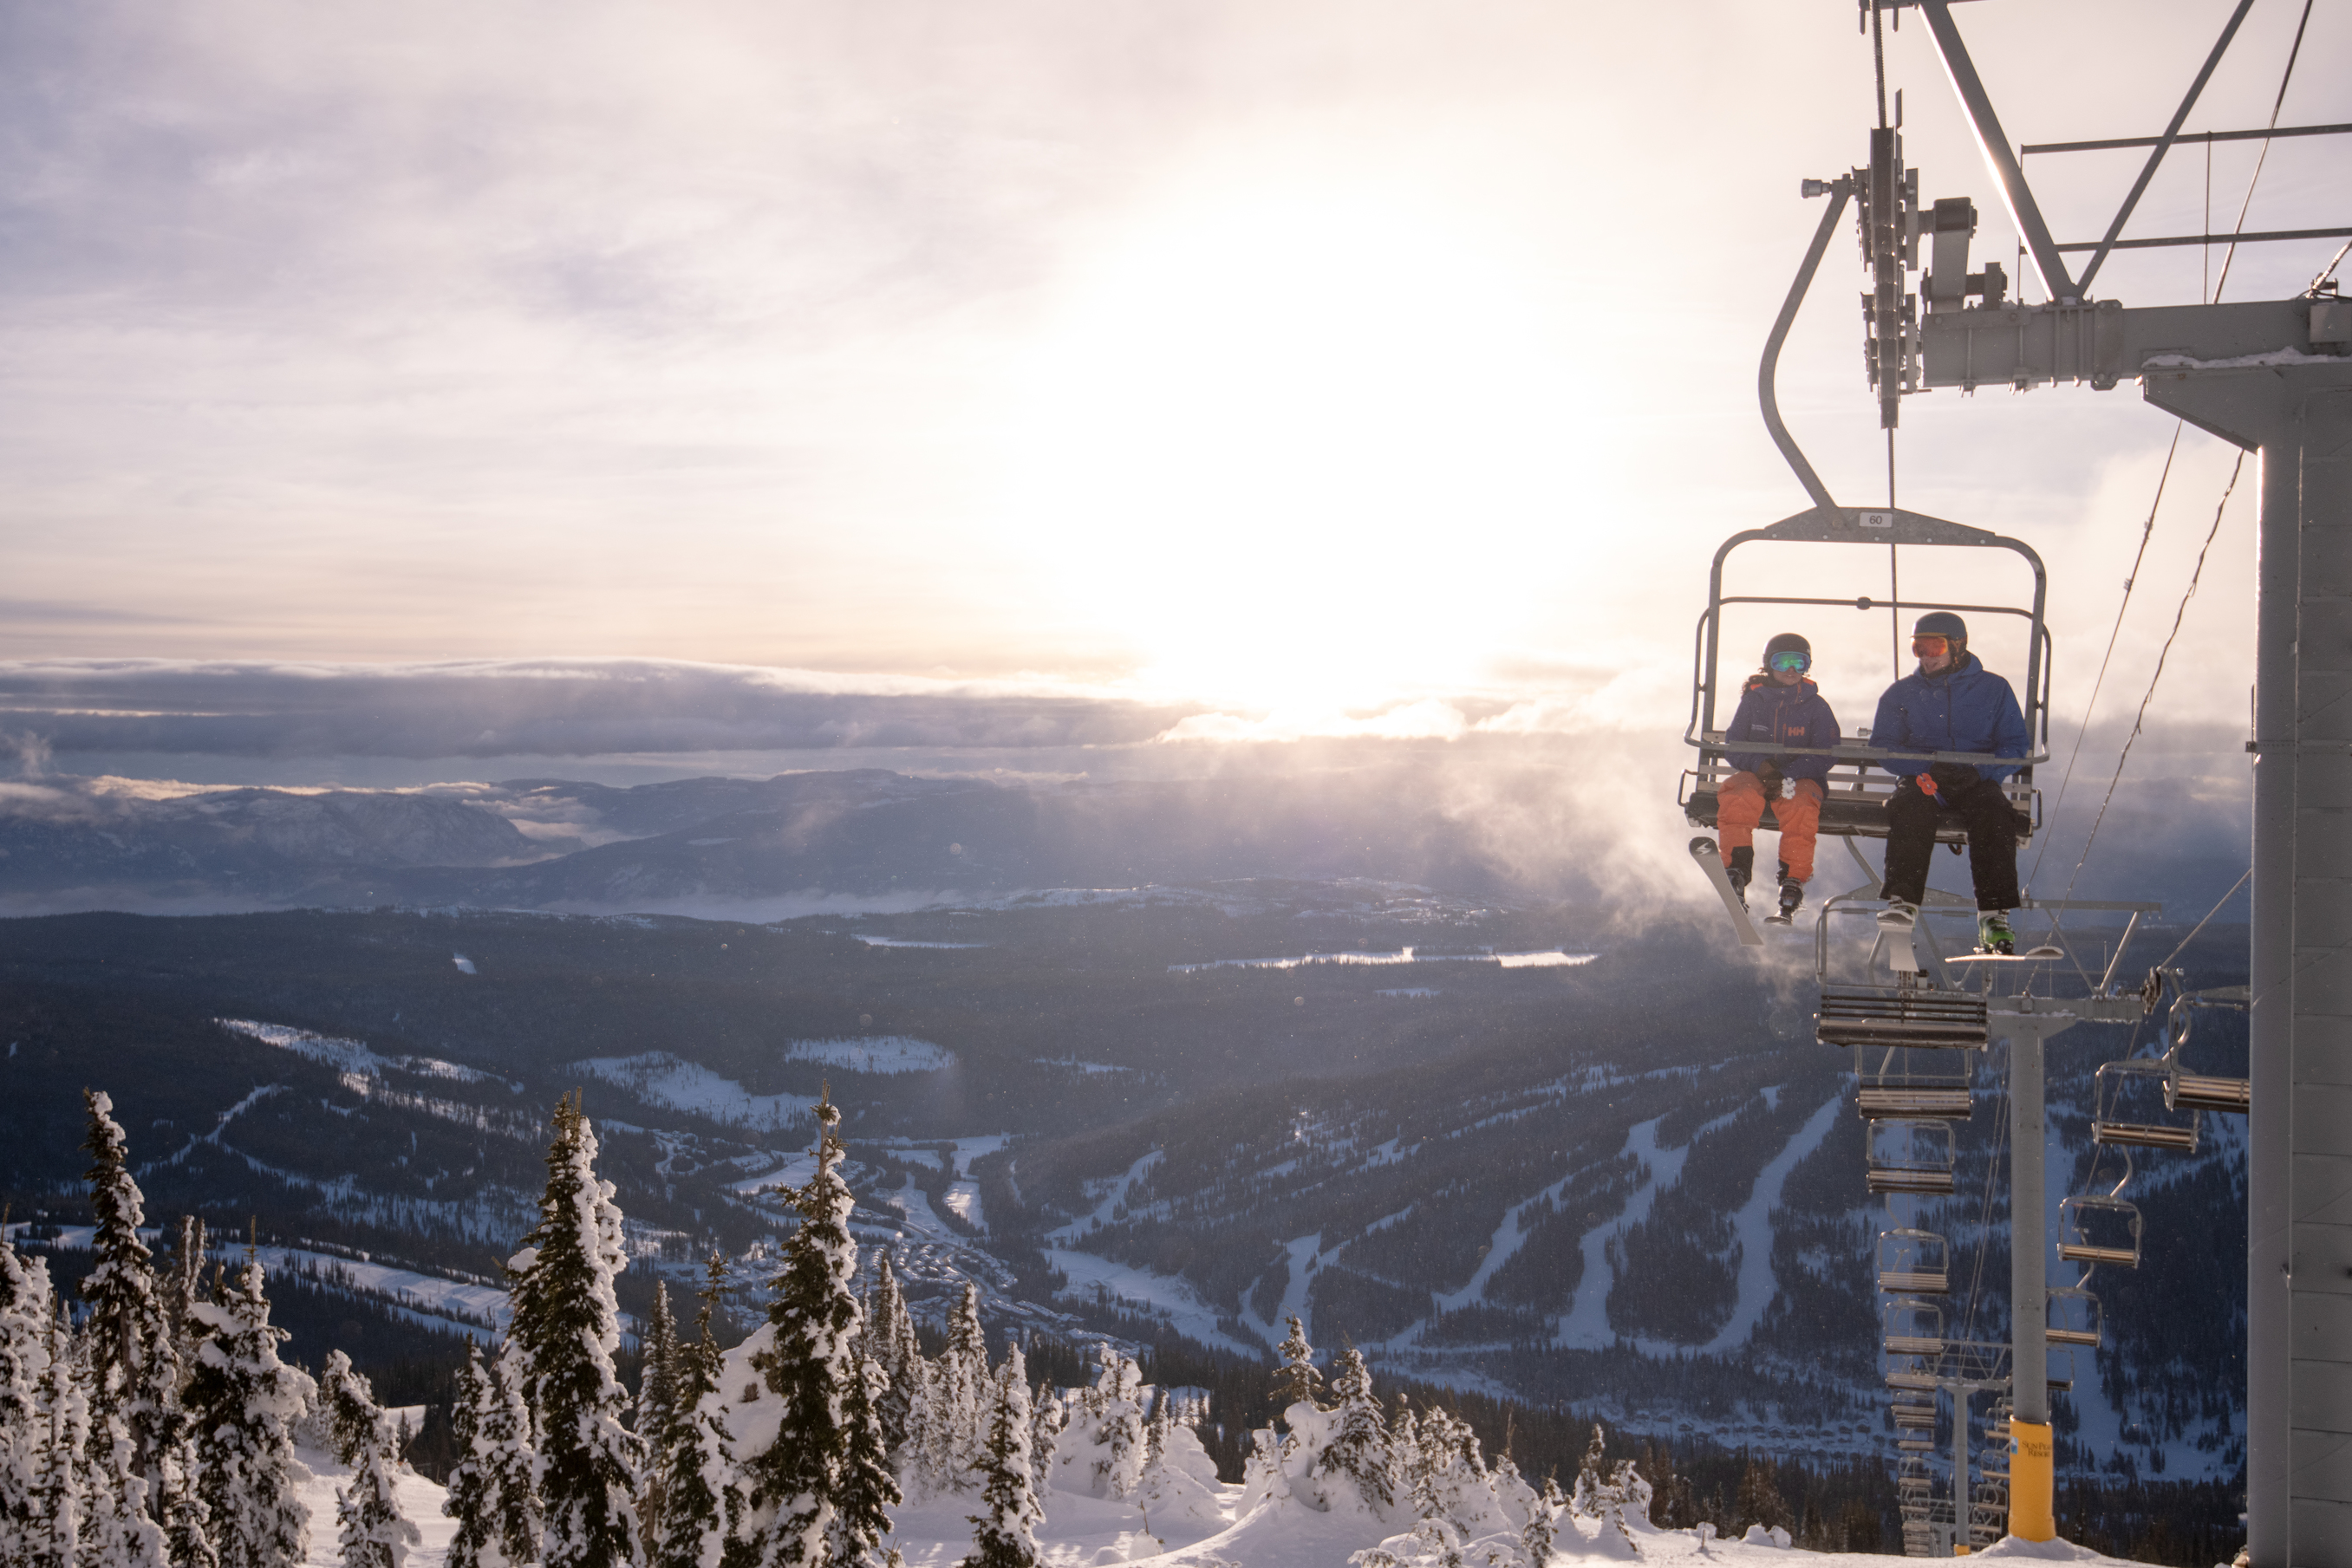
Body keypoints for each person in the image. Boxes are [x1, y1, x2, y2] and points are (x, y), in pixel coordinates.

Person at [1870, 611, 2031, 953]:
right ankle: (1903, 903)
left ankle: (1993, 914)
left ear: (1958, 647)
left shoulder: (1993, 688)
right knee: (1909, 807)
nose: (1927, 657)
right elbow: (1884, 746)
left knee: (1994, 813)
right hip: (1926, 780)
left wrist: (1980, 771)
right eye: (1919, 649)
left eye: (1935, 647)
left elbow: (2015, 744)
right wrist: (1925, 766)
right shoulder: (1903, 693)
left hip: (1975, 780)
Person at [1717, 632, 1840, 921]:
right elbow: (1734, 745)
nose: (1791, 670)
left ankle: (1792, 880)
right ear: (1768, 665)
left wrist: (1787, 773)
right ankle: (1737, 868)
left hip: (1802, 778)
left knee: (1800, 807)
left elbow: (1827, 751)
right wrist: (1760, 766)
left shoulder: (1815, 706)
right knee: (1738, 795)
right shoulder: (1754, 702)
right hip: (1757, 775)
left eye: (1799, 662)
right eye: (1783, 662)